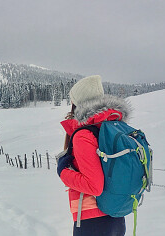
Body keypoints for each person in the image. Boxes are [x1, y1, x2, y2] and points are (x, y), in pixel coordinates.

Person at [57, 75, 132, 236]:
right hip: (116, 216)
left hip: (92, 221)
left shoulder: (84, 135)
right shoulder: (112, 127)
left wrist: (63, 171)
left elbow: (94, 186)